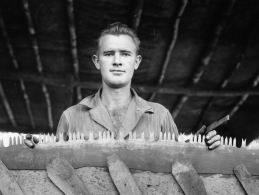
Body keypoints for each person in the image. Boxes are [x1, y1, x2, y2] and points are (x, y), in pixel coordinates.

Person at [26, 22, 221, 149]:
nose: (117, 61)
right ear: (96, 61)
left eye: (125, 54)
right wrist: (34, 151)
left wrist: (208, 149)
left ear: (136, 62)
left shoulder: (160, 116)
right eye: (109, 54)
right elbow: (56, 171)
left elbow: (180, 170)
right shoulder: (72, 117)